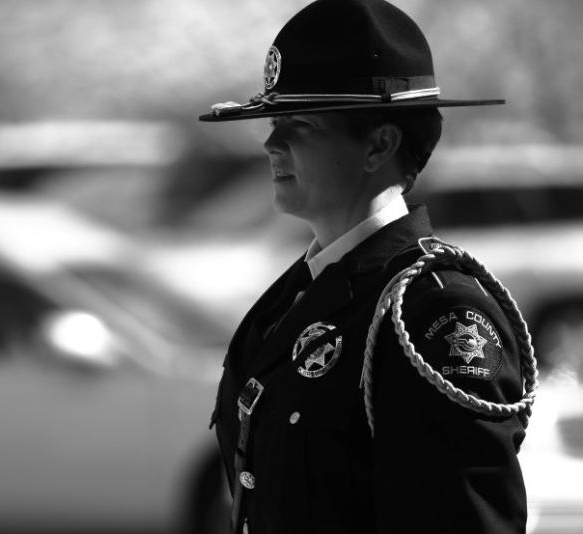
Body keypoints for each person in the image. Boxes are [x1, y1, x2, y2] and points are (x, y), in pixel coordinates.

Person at [200, 1, 538, 533]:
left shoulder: (434, 313)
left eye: (301, 124)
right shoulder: (294, 296)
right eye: (274, 122)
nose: (271, 143)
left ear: (379, 144)